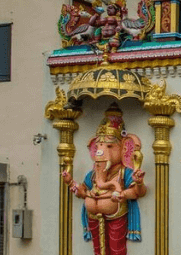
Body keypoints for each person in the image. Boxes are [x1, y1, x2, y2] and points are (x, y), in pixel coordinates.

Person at [62, 104, 146, 255]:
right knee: (97, 251)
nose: (102, 151)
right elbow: (83, 191)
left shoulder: (124, 173)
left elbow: (137, 192)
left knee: (116, 249)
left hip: (116, 216)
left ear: (124, 148)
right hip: (93, 217)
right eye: (100, 145)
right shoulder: (93, 174)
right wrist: (70, 182)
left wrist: (135, 185)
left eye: (109, 146)